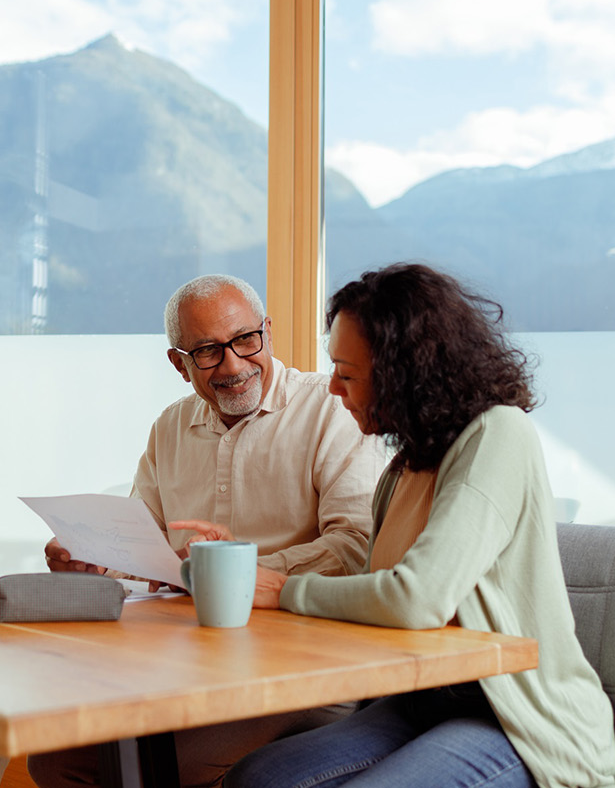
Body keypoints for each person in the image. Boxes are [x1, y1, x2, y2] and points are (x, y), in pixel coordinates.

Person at [226, 264, 615, 788]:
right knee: (257, 777)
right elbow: (371, 588)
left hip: (513, 717)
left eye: (347, 372)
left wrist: (287, 592)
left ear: (401, 374)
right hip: (420, 703)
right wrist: (248, 571)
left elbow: (417, 598)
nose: (333, 387)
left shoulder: (498, 435)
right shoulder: (404, 467)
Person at [31, 274, 384, 788]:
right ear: (179, 363)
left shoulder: (330, 410)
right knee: (54, 761)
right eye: (208, 352)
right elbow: (139, 542)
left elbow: (357, 549)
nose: (235, 365)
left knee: (164, 767)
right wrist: (92, 556)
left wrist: (235, 569)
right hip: (183, 662)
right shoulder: (169, 428)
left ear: (268, 331)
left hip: (300, 670)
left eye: (246, 340)